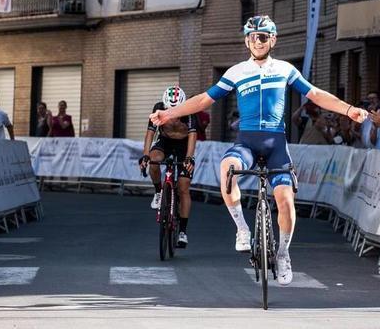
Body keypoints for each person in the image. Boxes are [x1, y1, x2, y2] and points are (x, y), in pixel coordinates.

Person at [149, 15, 367, 286]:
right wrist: (169, 114)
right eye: (252, 37)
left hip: (276, 144)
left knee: (285, 202)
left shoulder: (285, 69)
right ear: (246, 41)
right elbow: (204, 100)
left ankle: (284, 254)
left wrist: (349, 110)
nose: (258, 41)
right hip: (247, 143)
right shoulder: (237, 71)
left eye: (263, 37)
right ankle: (242, 229)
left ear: (272, 40)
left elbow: (316, 95)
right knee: (227, 170)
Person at [139, 85, 197, 248]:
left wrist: (189, 158)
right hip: (165, 141)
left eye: (176, 111)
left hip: (184, 145)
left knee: (184, 187)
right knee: (153, 160)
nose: (172, 114)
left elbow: (193, 136)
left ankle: (183, 232)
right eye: (168, 110)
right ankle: (158, 192)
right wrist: (145, 155)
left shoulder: (189, 111)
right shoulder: (158, 109)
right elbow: (150, 133)